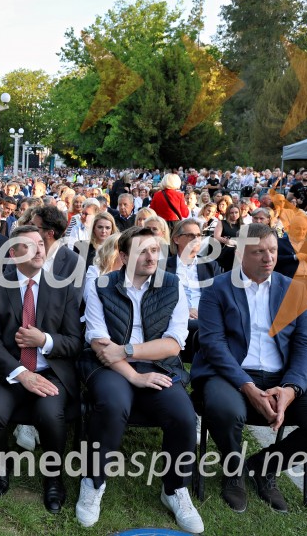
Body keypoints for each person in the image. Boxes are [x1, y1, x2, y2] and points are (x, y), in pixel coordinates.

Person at [192, 223, 307, 513]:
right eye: (259, 252)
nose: (269, 258)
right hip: (231, 375)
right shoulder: (218, 288)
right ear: (240, 254)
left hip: (282, 377)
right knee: (223, 409)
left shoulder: (295, 290)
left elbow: (305, 344)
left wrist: (291, 388)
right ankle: (233, 469)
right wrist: (248, 387)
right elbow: (213, 344)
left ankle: (264, 466)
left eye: (273, 250)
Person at [77, 227, 202, 533]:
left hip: (158, 364)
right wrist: (134, 375)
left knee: (184, 416)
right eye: (142, 251)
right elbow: (98, 342)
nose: (150, 257)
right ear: (122, 256)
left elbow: (174, 344)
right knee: (112, 404)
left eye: (154, 251)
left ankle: (174, 489)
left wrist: (130, 350)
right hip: (110, 367)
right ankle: (93, 482)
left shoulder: (172, 286)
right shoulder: (101, 285)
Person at [0, 225, 82, 514]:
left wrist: (45, 340)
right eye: (30, 244)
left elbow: (75, 342)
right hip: (10, 372)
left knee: (51, 415)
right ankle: (0, 467)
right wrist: (21, 374)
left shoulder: (63, 287)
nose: (39, 249)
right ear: (13, 253)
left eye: (41, 243)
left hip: (50, 372)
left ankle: (53, 478)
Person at [164, 219, 222, 363]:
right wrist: (184, 310)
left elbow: (221, 296)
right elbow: (158, 298)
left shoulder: (210, 265)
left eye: (199, 235)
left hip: (204, 315)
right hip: (175, 317)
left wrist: (203, 310)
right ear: (176, 239)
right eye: (191, 235)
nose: (196, 240)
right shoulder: (163, 266)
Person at [30, 205, 81, 283]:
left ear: (50, 234)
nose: (28, 229)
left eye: (33, 226)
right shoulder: (20, 253)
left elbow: (74, 294)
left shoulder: (74, 263)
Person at [214, 204, 242, 272]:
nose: (234, 214)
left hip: (238, 252)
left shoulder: (242, 225)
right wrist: (228, 241)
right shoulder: (222, 223)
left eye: (236, 212)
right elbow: (216, 237)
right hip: (225, 251)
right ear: (228, 213)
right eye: (231, 213)